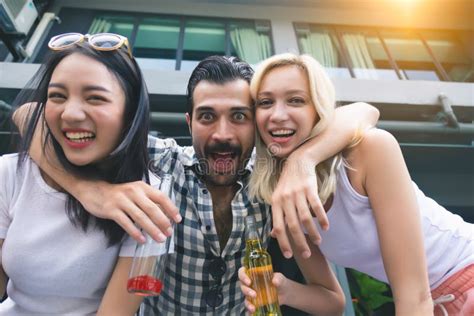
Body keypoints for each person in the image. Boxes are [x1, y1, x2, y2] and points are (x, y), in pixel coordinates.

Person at [14, 55, 379, 314]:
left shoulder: (275, 185)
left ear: (256, 124)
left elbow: (333, 301)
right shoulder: (160, 162)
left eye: (239, 116)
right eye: (207, 117)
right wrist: (89, 190)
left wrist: (286, 291)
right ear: (189, 123)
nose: (222, 134)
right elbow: (27, 114)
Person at [239, 53, 474, 315]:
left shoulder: (368, 151)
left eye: (296, 100)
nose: (277, 114)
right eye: (265, 102)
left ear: (318, 108)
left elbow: (414, 298)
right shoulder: (282, 197)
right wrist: (286, 290)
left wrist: (302, 160)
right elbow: (333, 301)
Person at [0, 33, 160, 314]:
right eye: (57, 96)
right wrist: (88, 190)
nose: (71, 114)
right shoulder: (10, 173)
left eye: (95, 97)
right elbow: (24, 112)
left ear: (130, 112)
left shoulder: (148, 198)